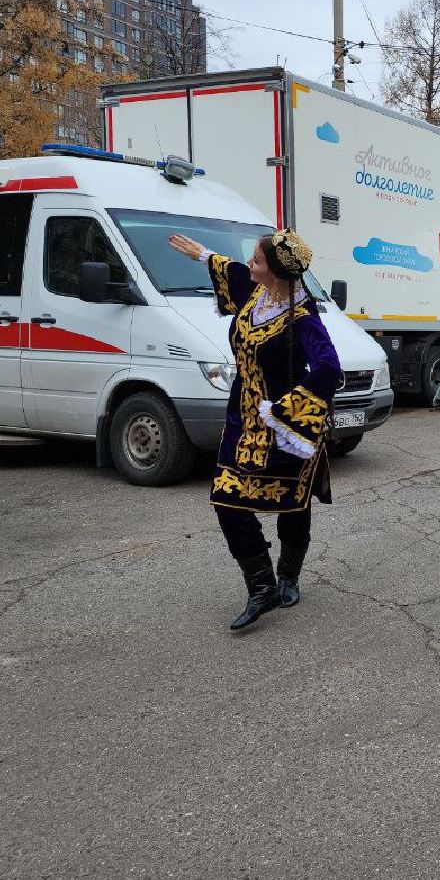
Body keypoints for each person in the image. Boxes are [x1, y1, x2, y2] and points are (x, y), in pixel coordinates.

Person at [168, 230, 342, 630]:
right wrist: (203, 255)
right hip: (241, 419)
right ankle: (261, 585)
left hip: (282, 425)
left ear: (277, 273)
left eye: (257, 261)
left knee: (291, 504)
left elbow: (330, 369)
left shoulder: (303, 317)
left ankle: (289, 577)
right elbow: (231, 270)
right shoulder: (254, 293)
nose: (250, 265)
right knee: (226, 499)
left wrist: (289, 411)